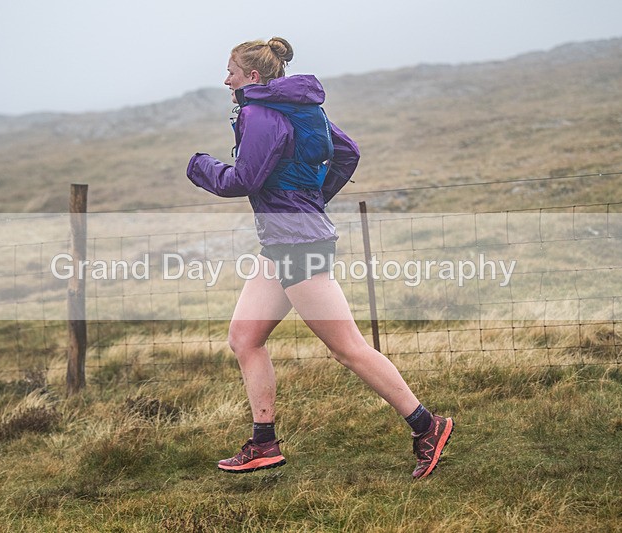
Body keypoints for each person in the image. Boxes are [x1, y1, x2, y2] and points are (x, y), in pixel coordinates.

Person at [186, 37, 453, 479]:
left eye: (230, 71)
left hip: (298, 244)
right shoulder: (300, 108)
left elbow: (243, 180)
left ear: (253, 76)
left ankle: (428, 426)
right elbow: (348, 153)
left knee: (348, 348)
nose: (225, 79)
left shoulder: (260, 114)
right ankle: (263, 443)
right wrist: (311, 199)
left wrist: (199, 166)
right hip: (284, 241)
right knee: (245, 338)